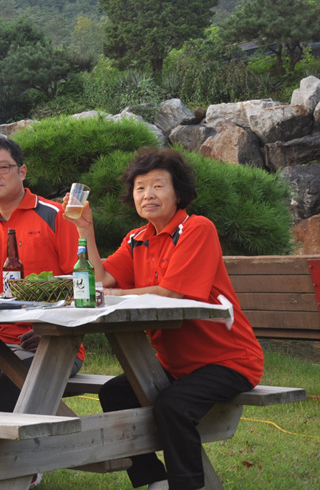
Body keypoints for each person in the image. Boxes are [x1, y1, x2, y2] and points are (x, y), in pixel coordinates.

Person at [64, 148, 263, 490]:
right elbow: (100, 280)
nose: (148, 195)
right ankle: (153, 481)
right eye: (140, 188)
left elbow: (171, 294)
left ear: (178, 193)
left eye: (158, 186)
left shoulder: (196, 228)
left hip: (228, 360)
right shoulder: (136, 239)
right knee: (115, 394)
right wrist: (85, 230)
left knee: (173, 406)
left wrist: (115, 294)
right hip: (175, 364)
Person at [0, 136, 82, 411]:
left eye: (3, 167)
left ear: (22, 171)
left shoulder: (56, 215)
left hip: (54, 341)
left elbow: (81, 281)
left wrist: (54, 329)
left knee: (10, 392)